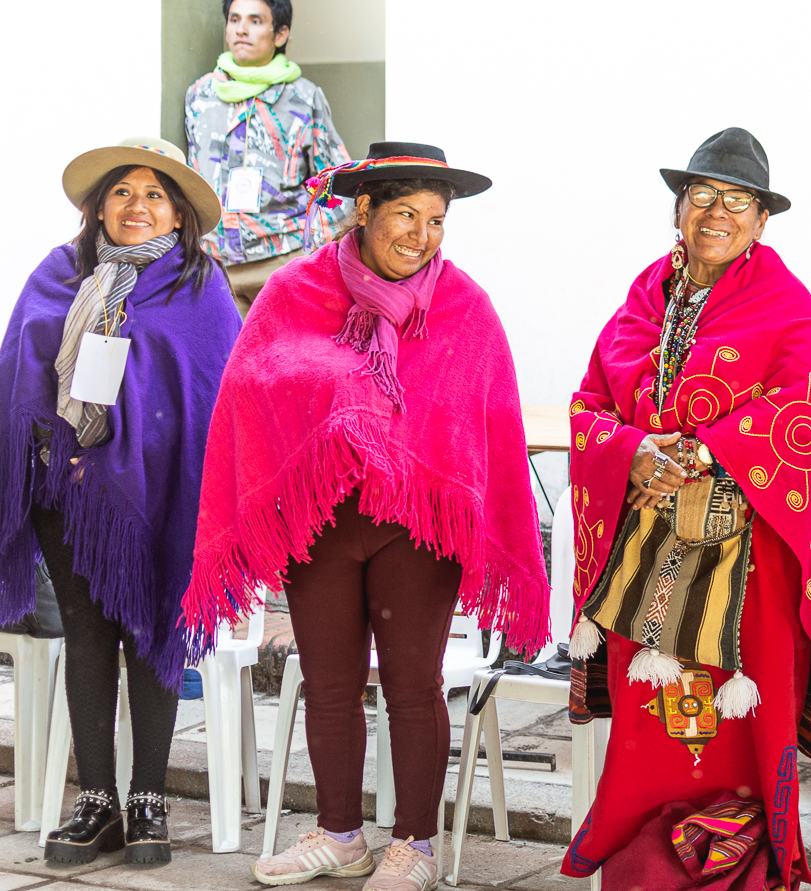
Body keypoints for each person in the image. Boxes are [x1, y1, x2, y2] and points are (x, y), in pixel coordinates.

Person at [179, 142, 549, 891]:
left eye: (436, 220)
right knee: (328, 680)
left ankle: (412, 842)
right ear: (364, 210)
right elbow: (252, 387)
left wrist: (381, 426)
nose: (421, 234)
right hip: (322, 523)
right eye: (406, 215)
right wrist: (340, 402)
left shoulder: (464, 306)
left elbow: (485, 415)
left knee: (412, 684)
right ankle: (340, 834)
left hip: (416, 527)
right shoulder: (296, 290)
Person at [561, 128, 811, 889]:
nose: (718, 212)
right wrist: (630, 450)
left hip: (749, 569)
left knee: (743, 734)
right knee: (650, 730)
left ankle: (742, 867)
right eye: (703, 195)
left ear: (763, 221)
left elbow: (807, 411)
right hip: (648, 568)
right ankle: (646, 867)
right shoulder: (644, 296)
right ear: (678, 208)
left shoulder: (784, 302)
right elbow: (589, 402)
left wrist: (706, 450)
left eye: (739, 201)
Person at [0, 137, 239, 865]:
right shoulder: (58, 273)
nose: (138, 206)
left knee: (153, 629)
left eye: (155, 195)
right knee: (88, 633)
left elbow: (212, 395)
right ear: (98, 205)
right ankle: (97, 800)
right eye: (123, 192)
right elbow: (19, 372)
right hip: (67, 491)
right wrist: (57, 452)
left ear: (177, 214)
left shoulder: (202, 287)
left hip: (164, 492)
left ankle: (149, 797)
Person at [185, 0, 352, 316]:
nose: (241, 29)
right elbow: (191, 177)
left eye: (255, 20)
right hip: (214, 265)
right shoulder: (201, 94)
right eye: (234, 19)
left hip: (282, 260)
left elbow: (336, 182)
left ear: (280, 34)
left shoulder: (304, 97)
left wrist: (311, 251)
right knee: (222, 362)